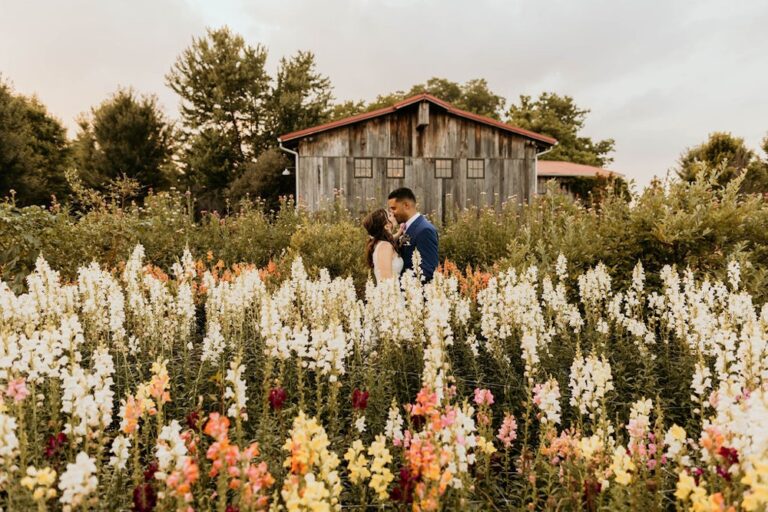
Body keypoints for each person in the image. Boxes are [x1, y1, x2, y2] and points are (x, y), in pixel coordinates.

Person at [387, 187, 439, 282]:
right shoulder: (404, 228)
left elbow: (427, 271)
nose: (392, 213)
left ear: (406, 205)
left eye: (393, 208)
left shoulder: (425, 230)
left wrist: (403, 288)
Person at [363, 208, 404, 283]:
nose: (393, 215)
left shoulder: (379, 242)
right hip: (389, 292)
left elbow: (390, 238)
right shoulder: (385, 246)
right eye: (389, 215)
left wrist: (399, 232)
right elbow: (386, 280)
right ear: (387, 226)